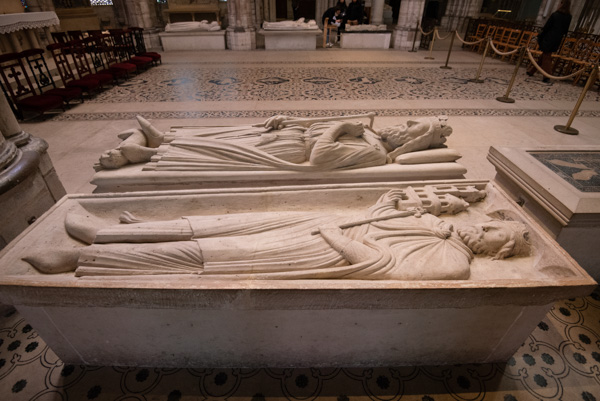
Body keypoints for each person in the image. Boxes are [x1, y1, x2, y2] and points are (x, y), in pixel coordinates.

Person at [23, 188, 531, 279]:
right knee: (224, 222)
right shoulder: (432, 224)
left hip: (315, 253)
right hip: (310, 227)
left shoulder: (454, 263)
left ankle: (85, 261)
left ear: (499, 252)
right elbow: (379, 213)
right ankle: (106, 233)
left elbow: (381, 268)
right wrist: (396, 202)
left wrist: (334, 237)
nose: (481, 225)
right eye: (489, 220)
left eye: (492, 233)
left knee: (213, 252)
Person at [96, 114, 454, 172]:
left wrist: (343, 126)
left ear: (416, 139)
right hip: (289, 133)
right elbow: (318, 127)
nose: (401, 125)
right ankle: (167, 138)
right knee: (228, 134)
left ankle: (146, 153)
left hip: (290, 151)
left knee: (216, 152)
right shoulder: (372, 133)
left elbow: (321, 156)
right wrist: (287, 118)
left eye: (410, 127)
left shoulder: (375, 152)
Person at [527, 0, 572, 83]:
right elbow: (565, 30)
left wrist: (541, 36)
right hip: (558, 39)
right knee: (545, 55)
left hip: (549, 37)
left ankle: (547, 76)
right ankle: (531, 71)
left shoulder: (555, 15)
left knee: (547, 56)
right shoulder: (568, 16)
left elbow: (547, 27)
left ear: (562, 4)